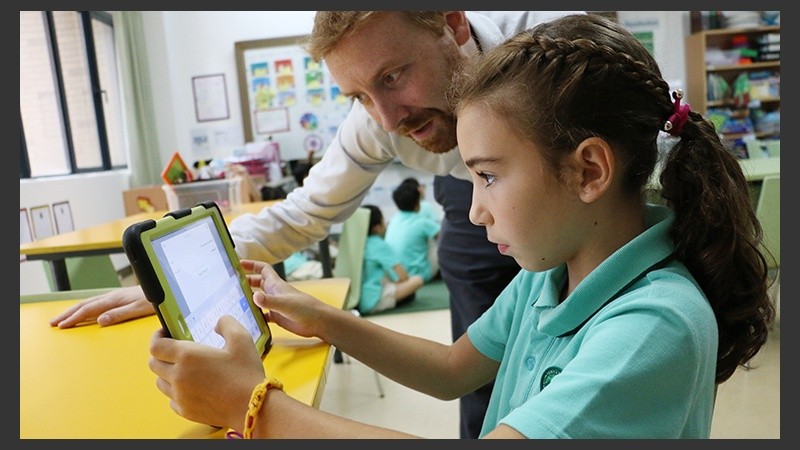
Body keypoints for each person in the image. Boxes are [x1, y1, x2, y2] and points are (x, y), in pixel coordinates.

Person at [147, 15, 775, 438]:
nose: (473, 212)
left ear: (588, 170)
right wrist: (322, 317)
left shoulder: (652, 326)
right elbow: (453, 368)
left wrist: (255, 407)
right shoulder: (552, 274)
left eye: (488, 176)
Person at [49, 11, 584, 439]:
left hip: (581, 209)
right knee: (494, 353)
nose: (386, 119)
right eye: (359, 97)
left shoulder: (554, 51)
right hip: (528, 214)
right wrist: (184, 278)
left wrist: (256, 407)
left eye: (393, 76)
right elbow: (453, 367)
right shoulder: (386, 122)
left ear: (453, 22)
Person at [358, 204, 423, 315]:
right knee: (417, 280)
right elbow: (402, 275)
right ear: (377, 226)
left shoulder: (357, 243)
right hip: (372, 300)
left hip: (358, 299)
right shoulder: (378, 244)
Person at [385, 181, 441, 282]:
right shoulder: (422, 222)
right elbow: (445, 239)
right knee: (441, 241)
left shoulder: (394, 219)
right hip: (419, 275)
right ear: (417, 204)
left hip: (396, 275)